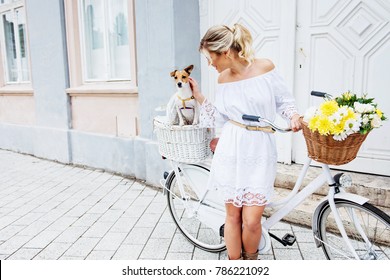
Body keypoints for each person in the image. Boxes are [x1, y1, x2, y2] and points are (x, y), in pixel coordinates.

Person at [188, 23, 301, 260]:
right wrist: (198, 96)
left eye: (211, 57)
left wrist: (293, 116)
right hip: (232, 147)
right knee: (233, 216)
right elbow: (221, 117)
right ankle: (235, 264)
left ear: (226, 53)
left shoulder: (265, 67)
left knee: (251, 220)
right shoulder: (222, 79)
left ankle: (251, 262)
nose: (210, 63)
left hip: (260, 148)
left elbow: (283, 100)